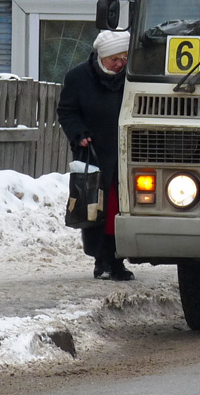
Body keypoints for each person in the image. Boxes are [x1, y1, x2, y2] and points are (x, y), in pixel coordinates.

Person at [57, 29, 134, 281]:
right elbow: (67, 111)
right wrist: (79, 133)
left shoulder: (132, 79)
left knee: (120, 209)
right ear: (102, 56)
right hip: (94, 154)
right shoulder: (78, 77)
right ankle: (101, 261)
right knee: (95, 209)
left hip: (126, 154)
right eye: (116, 58)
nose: (121, 63)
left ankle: (118, 260)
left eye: (124, 57)